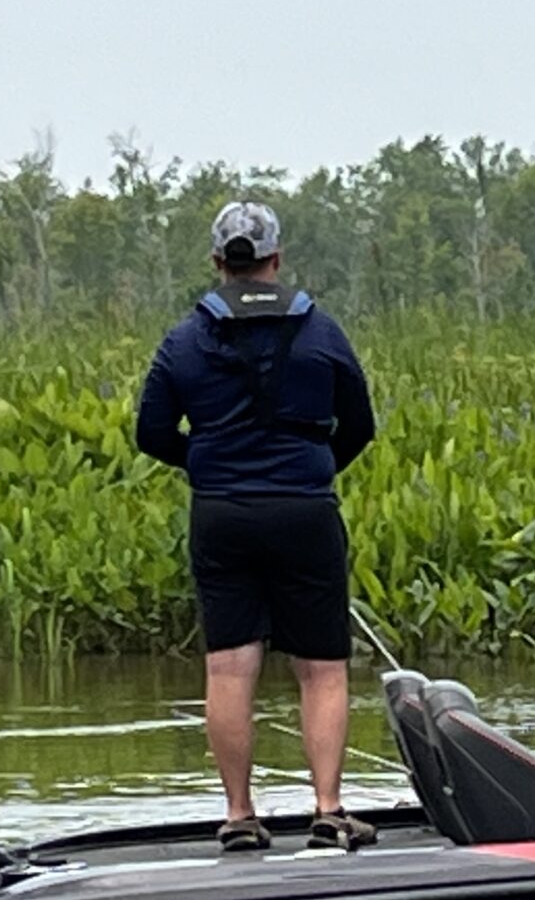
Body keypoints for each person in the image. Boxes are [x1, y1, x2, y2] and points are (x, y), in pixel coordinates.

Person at [137, 201, 379, 850]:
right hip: (304, 509)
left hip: (222, 515)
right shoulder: (321, 331)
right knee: (322, 667)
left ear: (219, 263)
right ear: (276, 259)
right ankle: (327, 809)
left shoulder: (185, 339)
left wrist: (208, 464)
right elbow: (360, 424)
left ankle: (241, 816)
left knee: (229, 667)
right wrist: (317, 468)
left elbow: (150, 431)